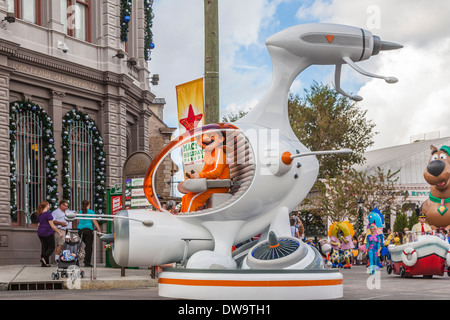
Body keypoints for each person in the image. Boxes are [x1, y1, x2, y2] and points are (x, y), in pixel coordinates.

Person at [180, 131, 230, 213]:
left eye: (211, 135)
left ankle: (188, 220)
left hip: (218, 185)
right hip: (210, 185)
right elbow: (205, 172)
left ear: (221, 139)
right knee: (186, 197)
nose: (206, 138)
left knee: (192, 198)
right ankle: (182, 216)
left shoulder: (219, 151)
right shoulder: (209, 154)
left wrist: (199, 176)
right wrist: (194, 176)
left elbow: (217, 172)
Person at [36, 201, 63, 267]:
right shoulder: (48, 214)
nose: (49, 206)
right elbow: (52, 225)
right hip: (47, 232)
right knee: (51, 247)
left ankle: (45, 263)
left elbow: (38, 224)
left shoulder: (39, 214)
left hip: (40, 232)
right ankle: (44, 258)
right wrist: (59, 232)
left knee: (44, 247)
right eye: (48, 205)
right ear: (46, 206)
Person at [77, 200, 102, 267]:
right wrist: (99, 230)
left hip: (80, 230)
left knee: (84, 245)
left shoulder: (80, 212)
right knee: (89, 247)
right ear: (89, 205)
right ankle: (87, 262)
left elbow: (79, 221)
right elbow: (94, 221)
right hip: (88, 230)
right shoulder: (91, 212)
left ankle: (78, 260)